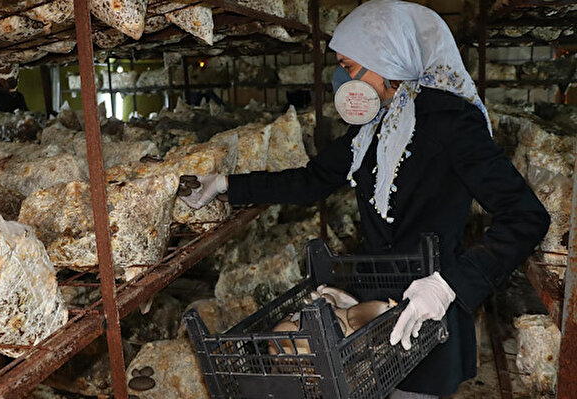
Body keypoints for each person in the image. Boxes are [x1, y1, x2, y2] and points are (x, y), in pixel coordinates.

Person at [179, 1, 550, 398]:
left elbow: (526, 215)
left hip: (426, 309)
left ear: (386, 60)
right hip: (374, 305)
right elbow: (312, 180)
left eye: (351, 68)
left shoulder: (451, 122)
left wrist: (449, 285)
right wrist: (227, 186)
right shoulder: (374, 127)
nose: (343, 79)